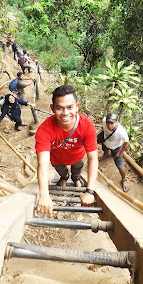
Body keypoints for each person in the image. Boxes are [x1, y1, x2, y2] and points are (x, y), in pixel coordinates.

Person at [35, 85, 98, 216]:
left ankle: (75, 178)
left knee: (77, 170)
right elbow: (42, 163)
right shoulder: (45, 130)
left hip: (78, 156)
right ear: (52, 108)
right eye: (59, 108)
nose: (65, 113)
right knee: (62, 172)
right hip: (57, 159)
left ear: (77, 106)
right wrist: (44, 194)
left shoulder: (86, 126)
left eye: (70, 107)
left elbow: (93, 157)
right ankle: (65, 177)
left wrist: (90, 191)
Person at [98, 112, 130, 192]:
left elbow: (127, 142)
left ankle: (124, 179)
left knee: (120, 166)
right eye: (108, 122)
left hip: (116, 148)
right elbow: (103, 127)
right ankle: (105, 156)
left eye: (112, 123)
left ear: (116, 122)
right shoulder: (104, 121)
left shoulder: (121, 131)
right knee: (105, 150)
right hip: (106, 142)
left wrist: (120, 153)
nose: (109, 125)